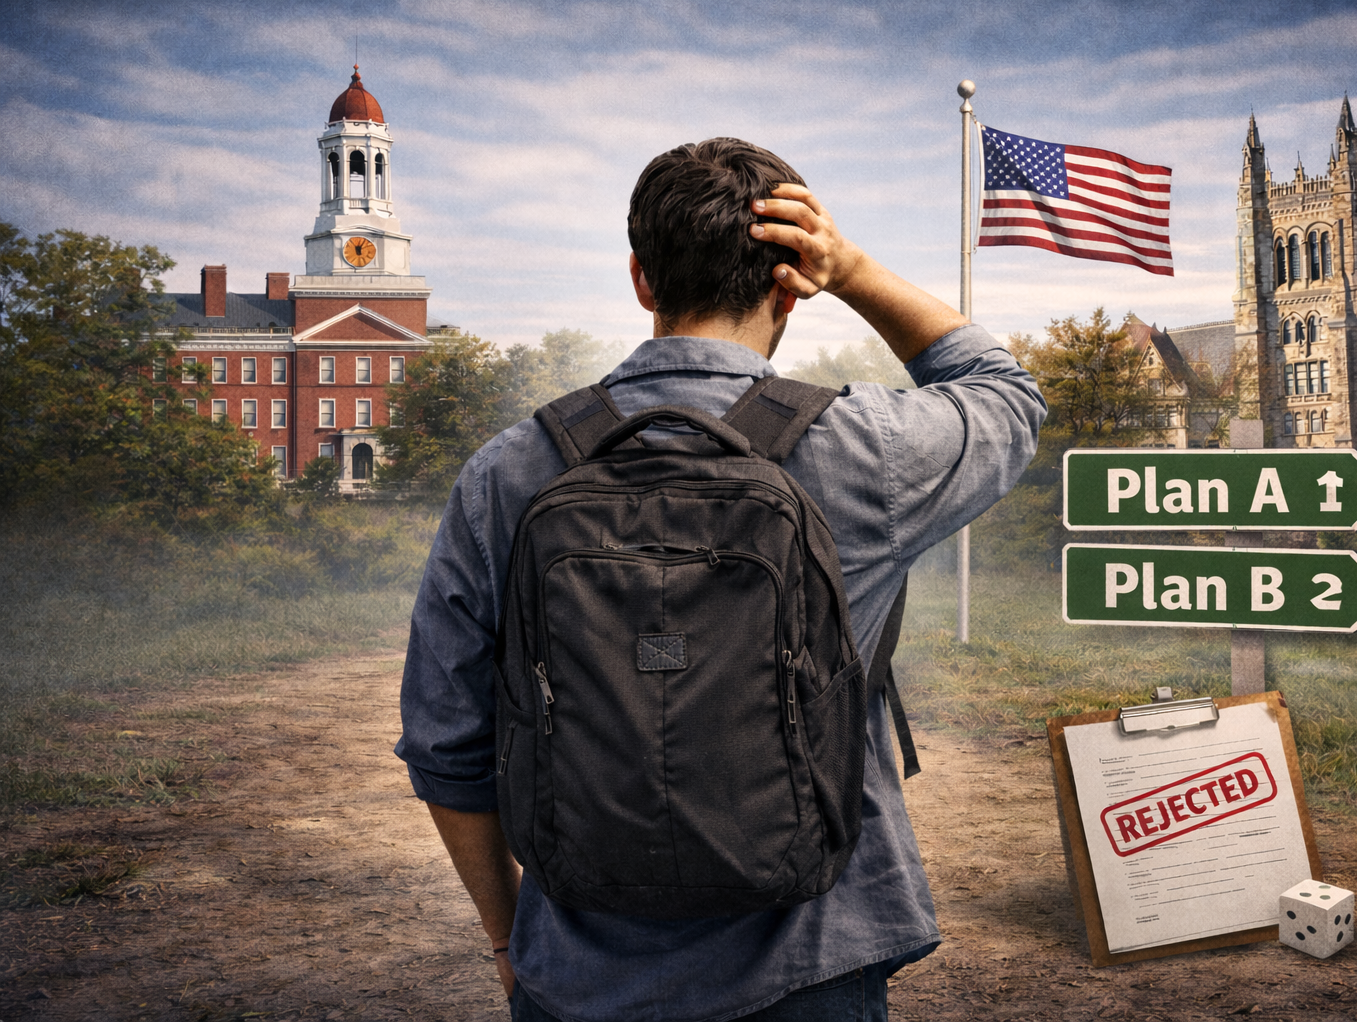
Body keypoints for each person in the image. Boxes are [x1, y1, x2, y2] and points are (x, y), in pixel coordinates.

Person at [396, 137, 1046, 1021]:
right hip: (810, 961)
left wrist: (511, 940)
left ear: (640, 279)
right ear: (789, 284)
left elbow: (447, 745)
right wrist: (851, 269)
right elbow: (1003, 390)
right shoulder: (869, 450)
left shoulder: (508, 473)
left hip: (579, 975)